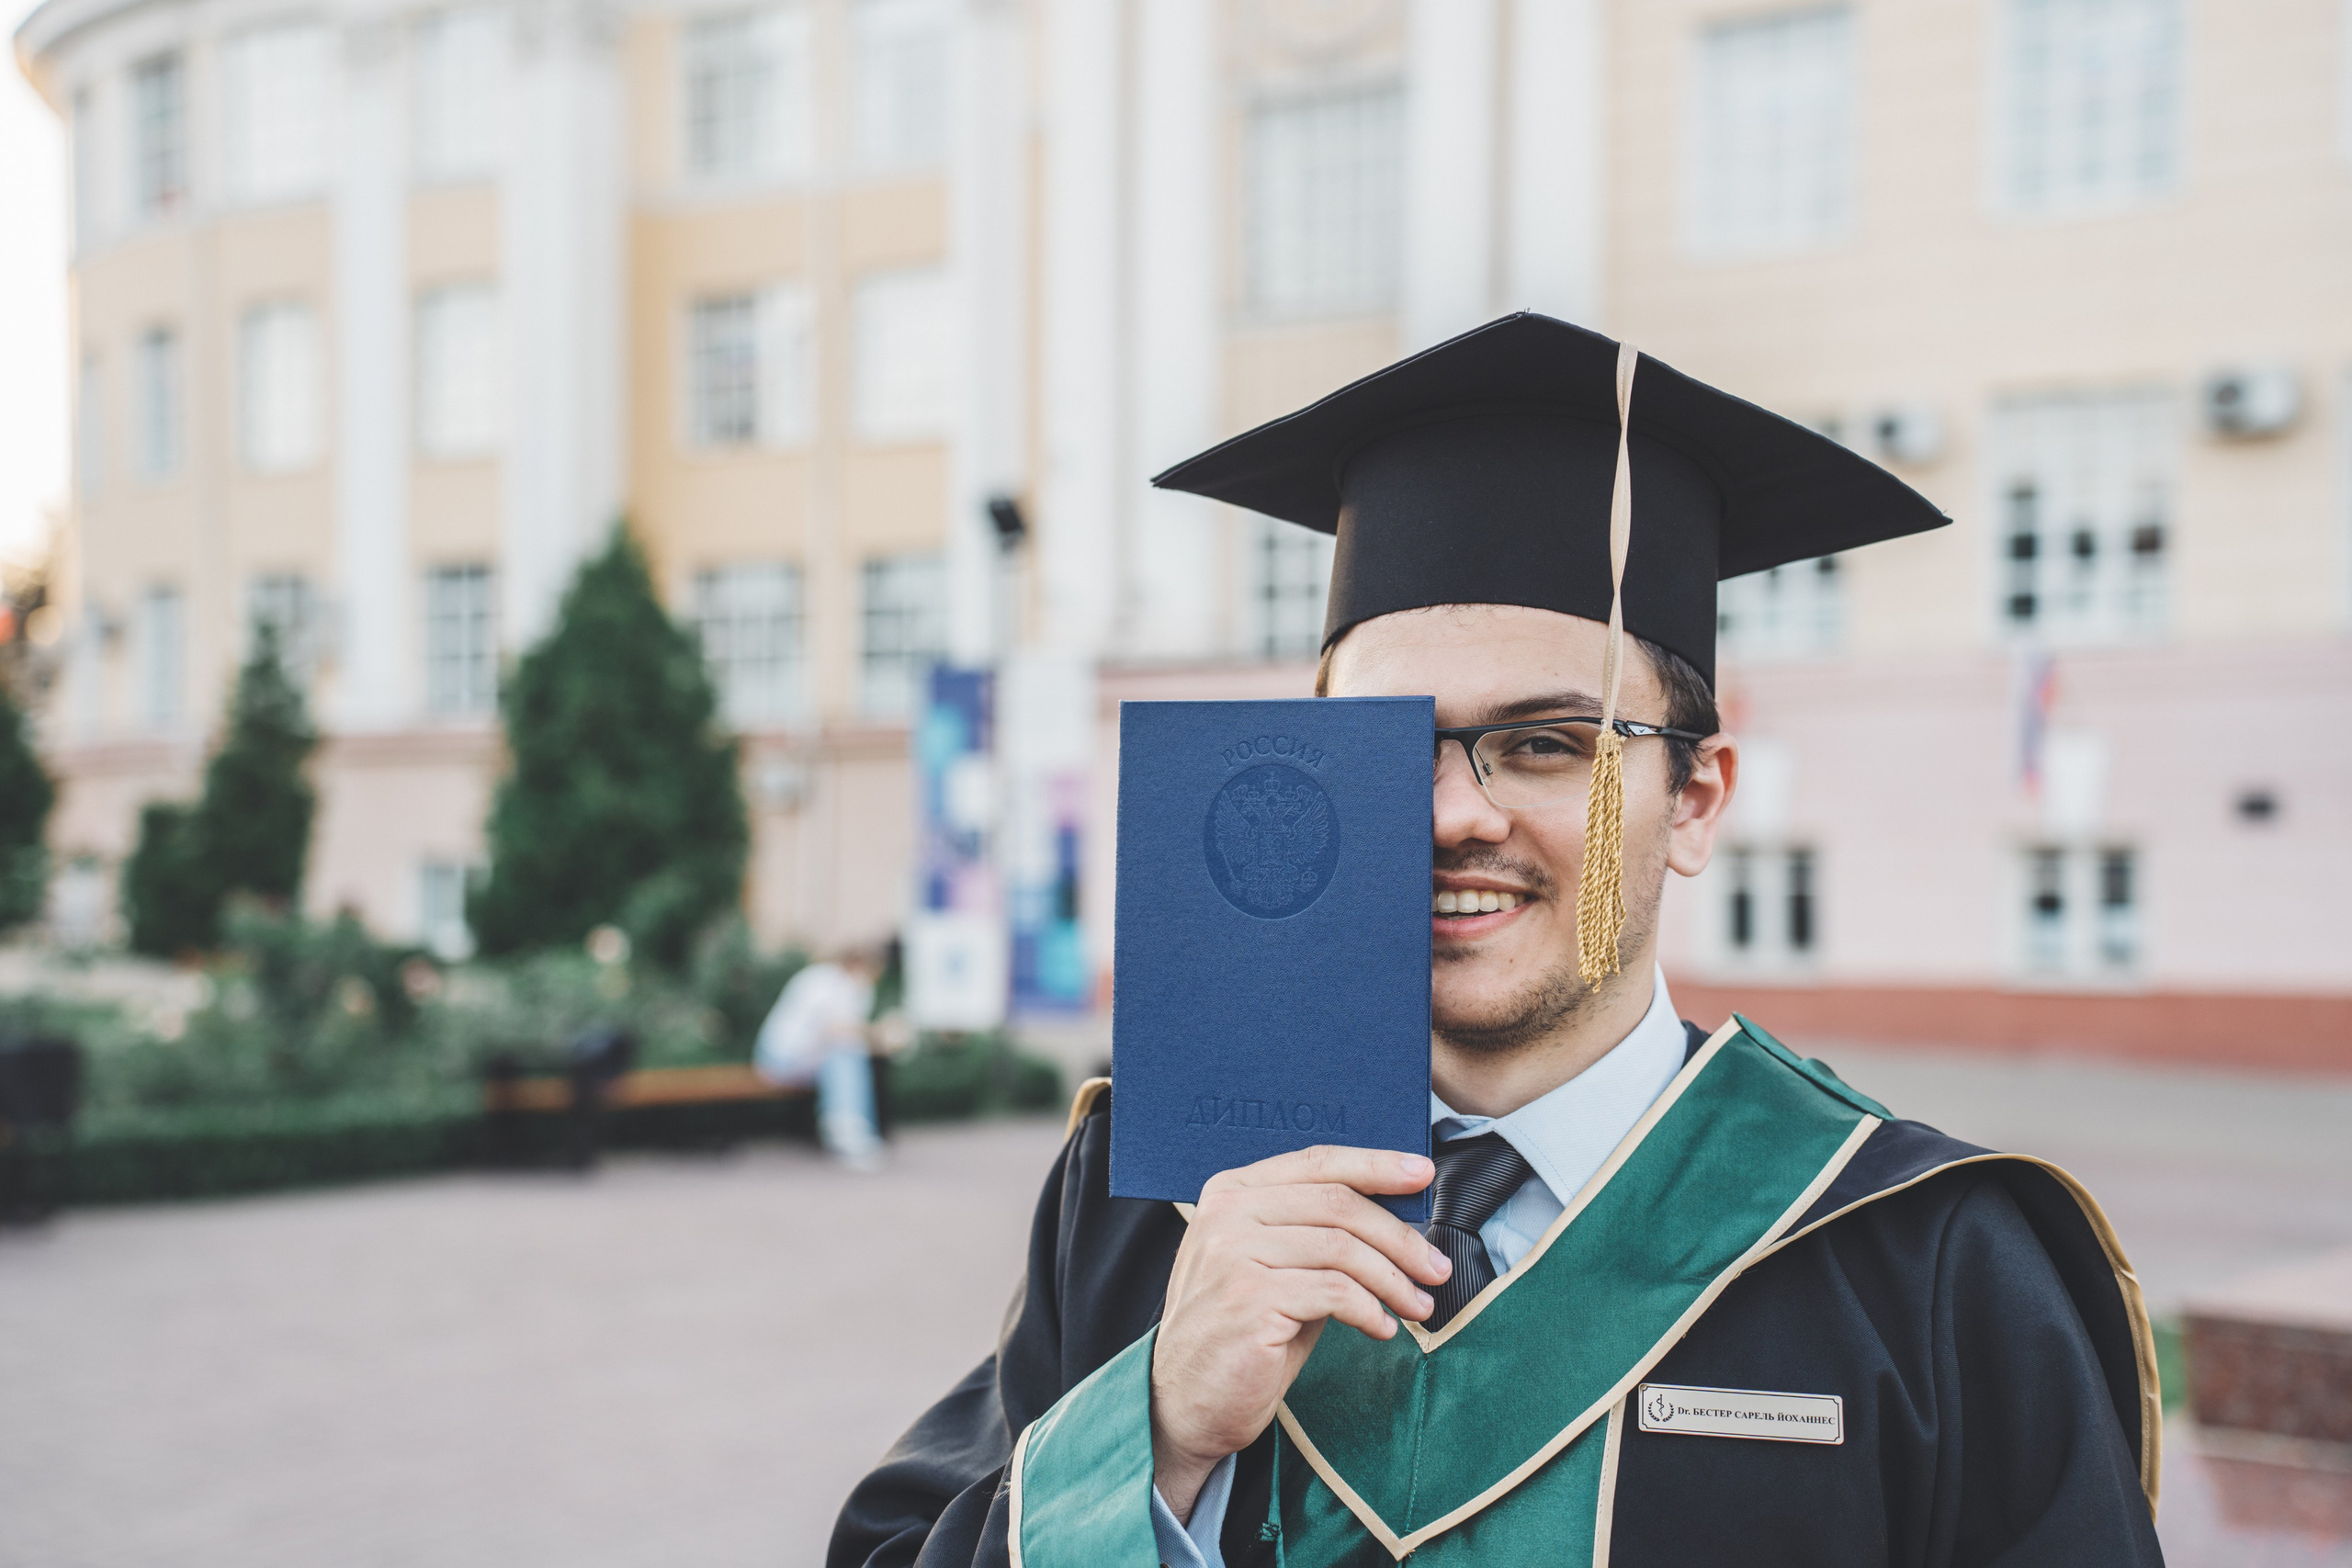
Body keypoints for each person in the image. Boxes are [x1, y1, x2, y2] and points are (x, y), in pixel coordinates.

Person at [830, 315, 2163, 1566]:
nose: (1455, 812)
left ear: (1693, 799)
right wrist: (1155, 1431)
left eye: (1545, 742)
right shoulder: (1149, 1199)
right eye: (1388, 743)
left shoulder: (1922, 1257)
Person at [756, 941, 888, 1171]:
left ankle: (852, 1129)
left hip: (810, 1060)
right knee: (845, 1057)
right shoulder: (821, 981)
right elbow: (832, 1030)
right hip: (780, 1059)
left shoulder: (855, 988)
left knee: (849, 1056)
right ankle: (847, 1132)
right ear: (858, 964)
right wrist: (877, 1034)